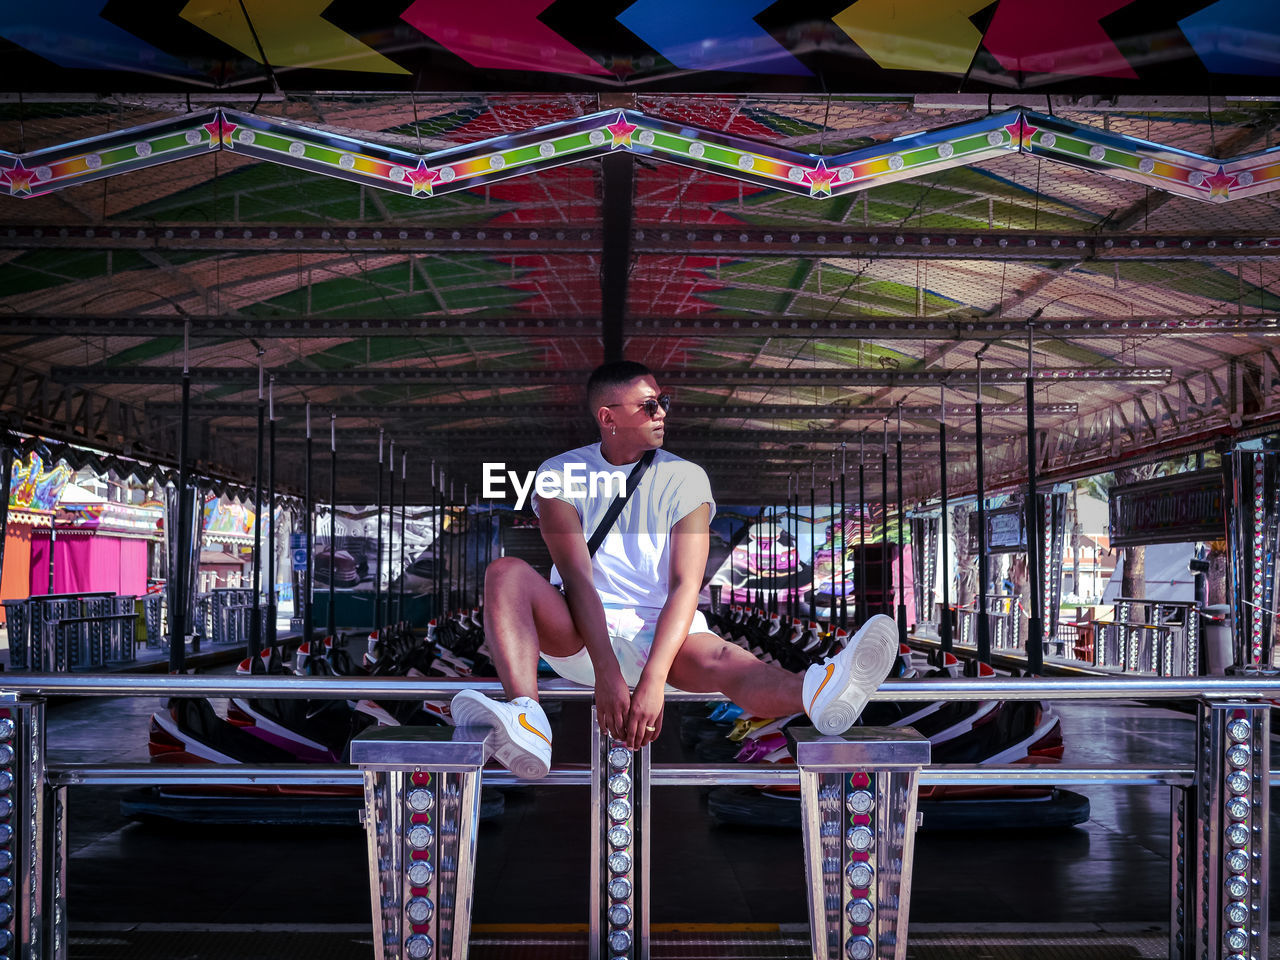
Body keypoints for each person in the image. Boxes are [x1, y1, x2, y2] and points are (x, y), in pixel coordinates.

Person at [451, 361, 898, 778]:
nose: (661, 412)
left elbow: (687, 585)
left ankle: (819, 690)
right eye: (648, 406)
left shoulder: (686, 478)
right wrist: (607, 674)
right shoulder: (559, 474)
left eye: (663, 401)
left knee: (727, 659)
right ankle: (527, 715)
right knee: (506, 572)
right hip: (580, 634)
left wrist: (652, 682)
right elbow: (578, 578)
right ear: (608, 418)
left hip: (664, 636)